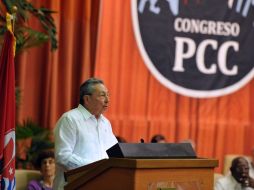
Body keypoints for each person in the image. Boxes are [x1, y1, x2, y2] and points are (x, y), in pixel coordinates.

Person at [53, 78, 118, 189]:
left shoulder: (105, 123)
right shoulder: (70, 119)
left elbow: (115, 153)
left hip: (101, 183)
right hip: (74, 185)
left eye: (108, 95)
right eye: (102, 95)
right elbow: (62, 156)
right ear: (87, 99)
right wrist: (96, 168)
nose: (107, 100)